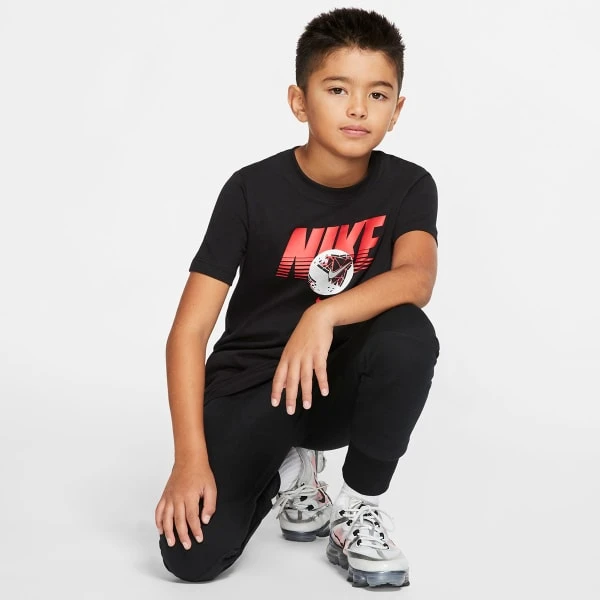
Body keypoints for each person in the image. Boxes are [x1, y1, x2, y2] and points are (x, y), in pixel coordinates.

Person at [154, 6, 441, 589]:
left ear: (396, 111)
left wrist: (323, 314)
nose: (358, 108)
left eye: (378, 94)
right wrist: (189, 460)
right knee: (192, 558)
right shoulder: (249, 190)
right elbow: (188, 333)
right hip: (256, 384)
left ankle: (356, 508)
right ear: (299, 101)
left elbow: (417, 279)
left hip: (338, 383)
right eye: (337, 89)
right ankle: (293, 472)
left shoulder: (409, 185)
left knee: (408, 336)